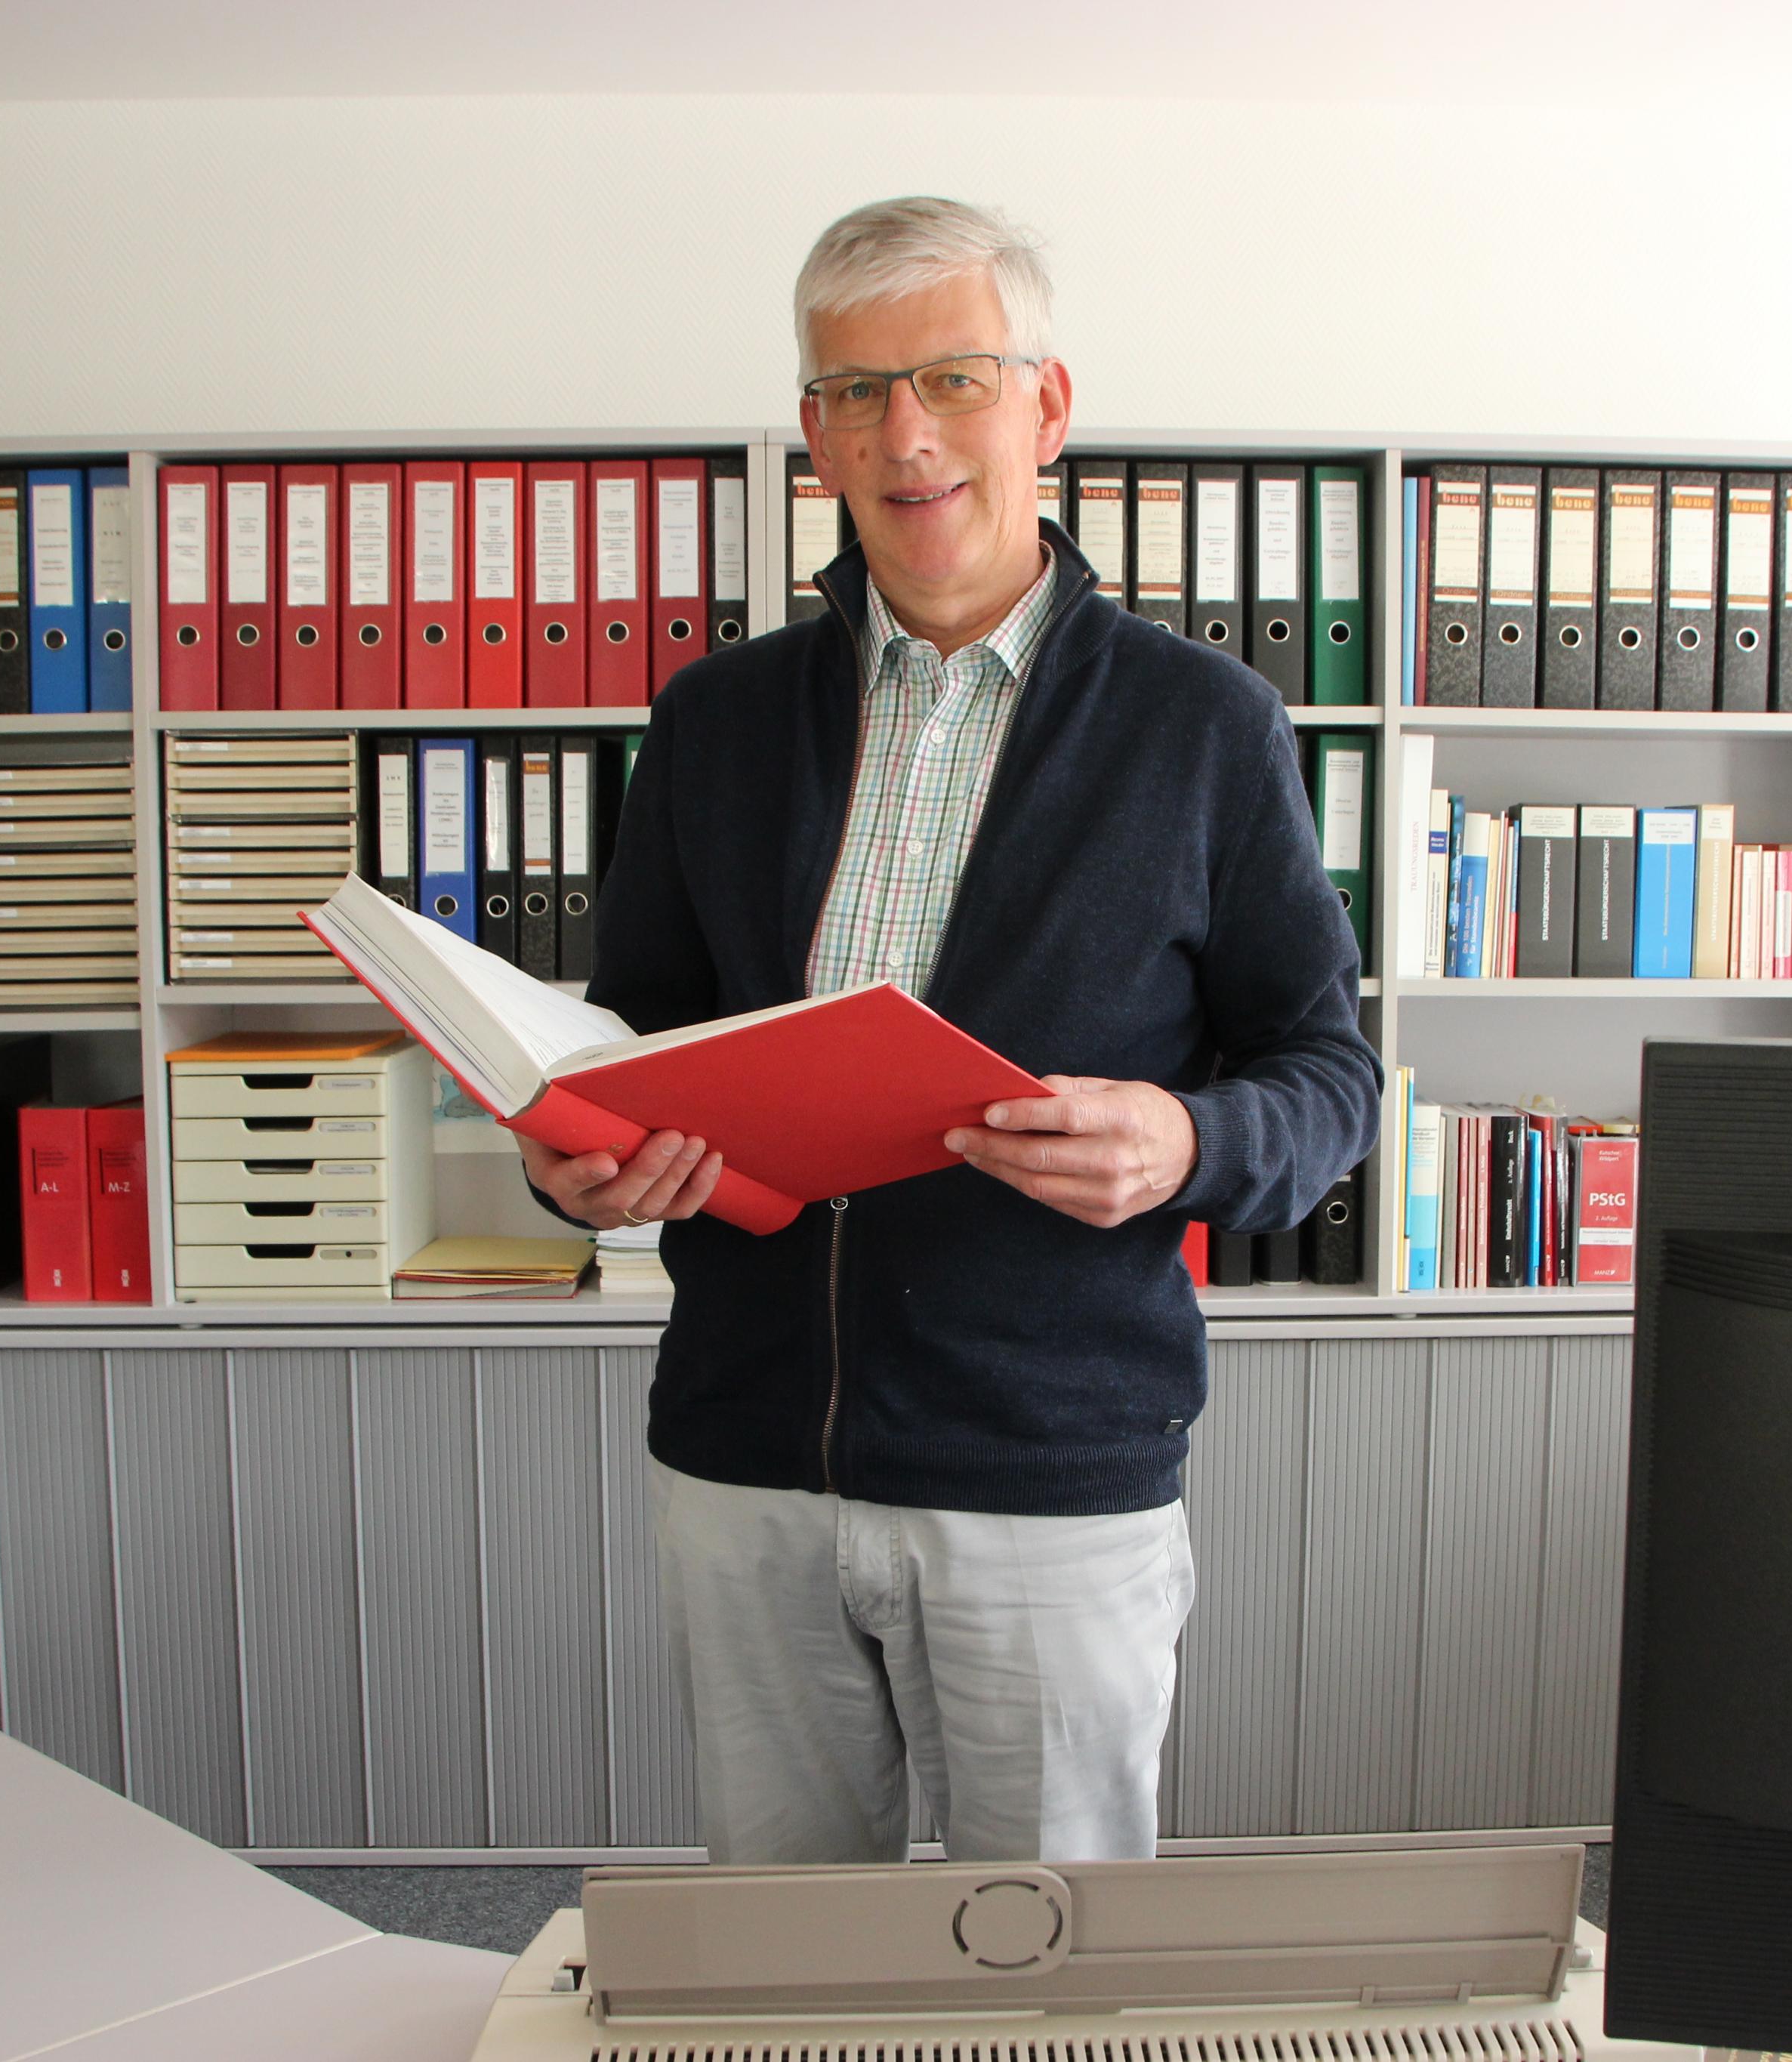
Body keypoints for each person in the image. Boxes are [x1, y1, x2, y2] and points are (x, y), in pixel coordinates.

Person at [520, 196, 1377, 1864]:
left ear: (1046, 408)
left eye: (952, 380)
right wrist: (577, 1166)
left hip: (1046, 1476)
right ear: (813, 433)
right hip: (748, 1462)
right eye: (855, 392)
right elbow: (628, 1042)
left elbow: (1326, 1073)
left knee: (1042, 1962)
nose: (903, 436)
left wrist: (1189, 1140)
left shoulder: (1205, 726)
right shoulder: (713, 720)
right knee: (784, 1956)